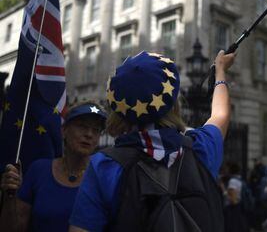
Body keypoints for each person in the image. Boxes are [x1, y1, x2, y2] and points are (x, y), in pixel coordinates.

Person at [69, 50, 236, 232]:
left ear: (119, 110)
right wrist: (220, 71)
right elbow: (221, 115)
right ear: (173, 103)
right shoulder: (199, 148)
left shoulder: (104, 165)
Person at [0, 102, 106, 232]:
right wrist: (10, 196)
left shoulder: (104, 177)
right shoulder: (39, 171)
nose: (89, 134)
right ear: (64, 130)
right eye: (82, 126)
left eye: (96, 130)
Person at [224, 162, 249, 232]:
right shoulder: (240, 180)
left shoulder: (232, 181)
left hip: (233, 209)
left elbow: (233, 199)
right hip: (239, 206)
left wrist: (224, 191)